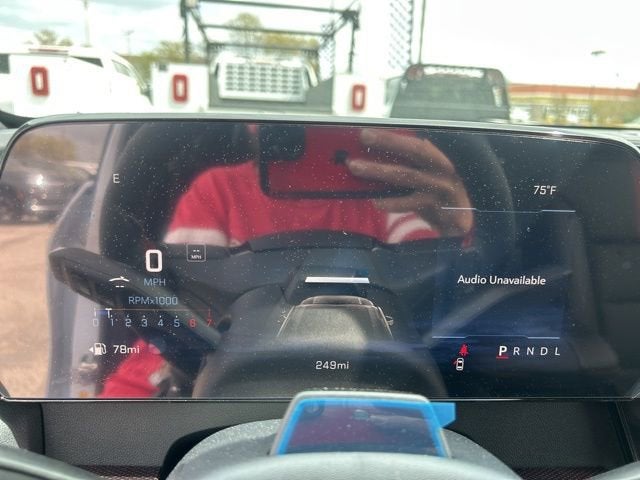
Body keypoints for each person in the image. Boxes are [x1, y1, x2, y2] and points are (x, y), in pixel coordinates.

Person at [99, 127, 473, 398]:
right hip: (221, 367)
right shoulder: (218, 189)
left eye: (331, 123)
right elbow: (180, 310)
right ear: (249, 123)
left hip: (384, 372)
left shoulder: (393, 195)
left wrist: (460, 232)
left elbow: (437, 294)